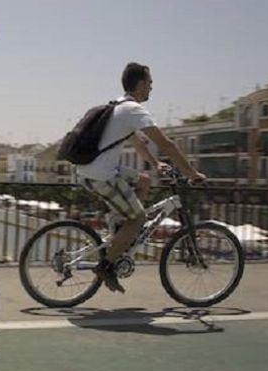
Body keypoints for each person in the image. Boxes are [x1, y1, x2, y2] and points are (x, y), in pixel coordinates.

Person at [76, 62, 206, 293]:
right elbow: (165, 143)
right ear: (140, 84)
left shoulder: (119, 106)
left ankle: (119, 231)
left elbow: (137, 141)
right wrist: (191, 173)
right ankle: (107, 266)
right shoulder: (133, 109)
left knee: (144, 180)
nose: (152, 88)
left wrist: (156, 164)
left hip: (91, 169)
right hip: (101, 174)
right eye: (150, 83)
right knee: (138, 219)